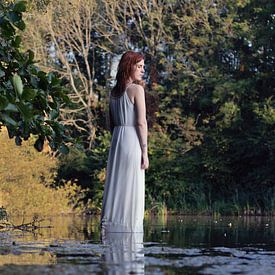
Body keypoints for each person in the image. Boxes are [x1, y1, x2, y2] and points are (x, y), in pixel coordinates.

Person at [100, 51, 149, 233]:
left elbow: (110, 123)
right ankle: (130, 228)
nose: (143, 70)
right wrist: (144, 152)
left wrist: (117, 139)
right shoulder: (137, 90)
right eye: (139, 66)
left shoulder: (114, 93)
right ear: (129, 66)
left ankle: (111, 225)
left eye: (143, 66)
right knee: (132, 187)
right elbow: (141, 122)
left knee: (116, 185)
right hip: (132, 140)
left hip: (117, 141)